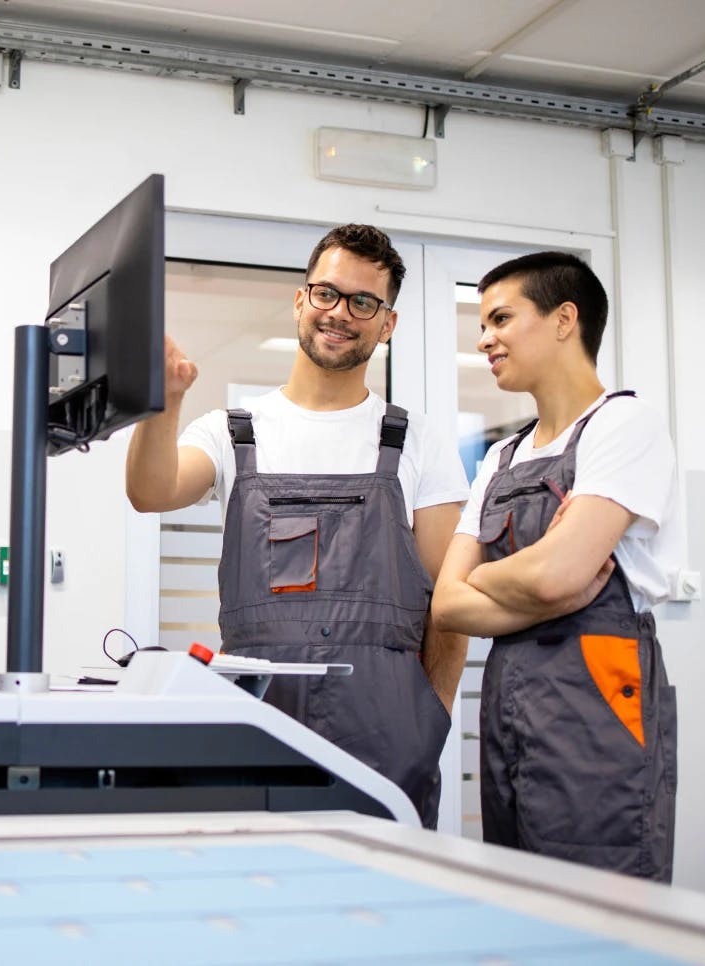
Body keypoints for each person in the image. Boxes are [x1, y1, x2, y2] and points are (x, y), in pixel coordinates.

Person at [126, 224, 470, 826]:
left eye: (365, 302)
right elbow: (150, 492)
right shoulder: (234, 431)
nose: (341, 313)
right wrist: (165, 403)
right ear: (300, 300)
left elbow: (449, 605)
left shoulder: (418, 443)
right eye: (327, 293)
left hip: (388, 743)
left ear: (387, 324)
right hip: (255, 729)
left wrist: (428, 720)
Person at [432, 251, 678, 881]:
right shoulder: (501, 457)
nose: (485, 339)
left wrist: (491, 577)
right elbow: (448, 605)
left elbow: (556, 577)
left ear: (564, 318)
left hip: (597, 692)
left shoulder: (623, 425)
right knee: (517, 892)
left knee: (601, 890)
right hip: (511, 694)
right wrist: (529, 577)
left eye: (501, 318)